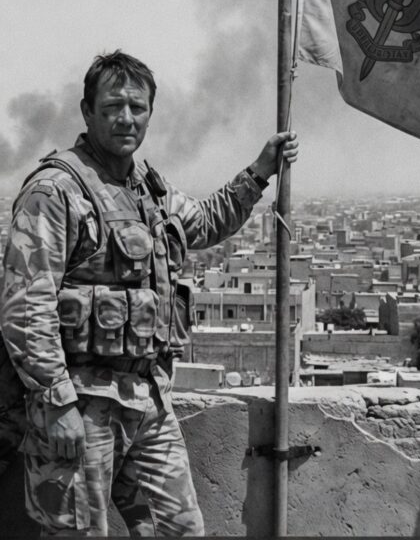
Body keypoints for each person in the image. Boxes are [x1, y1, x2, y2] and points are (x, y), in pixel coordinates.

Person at [0, 50, 299, 536]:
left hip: (147, 402)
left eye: (137, 107)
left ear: (150, 114)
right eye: (112, 107)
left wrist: (259, 172)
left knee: (179, 530)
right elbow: (25, 308)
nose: (126, 118)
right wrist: (56, 404)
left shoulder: (148, 191)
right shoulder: (56, 191)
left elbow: (206, 221)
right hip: (80, 404)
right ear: (87, 112)